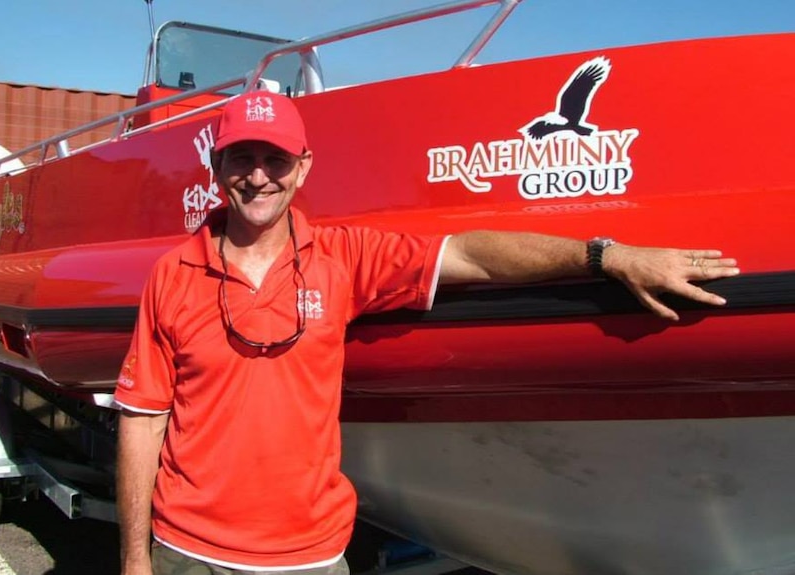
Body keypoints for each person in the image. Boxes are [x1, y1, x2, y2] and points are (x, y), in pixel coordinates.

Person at [114, 91, 739, 575]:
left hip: (305, 554)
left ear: (302, 168)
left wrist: (609, 258)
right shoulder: (172, 275)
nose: (258, 176)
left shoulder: (344, 258)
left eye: (275, 158)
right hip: (185, 551)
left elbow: (471, 255)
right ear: (216, 164)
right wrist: (134, 559)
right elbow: (142, 419)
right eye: (241, 158)